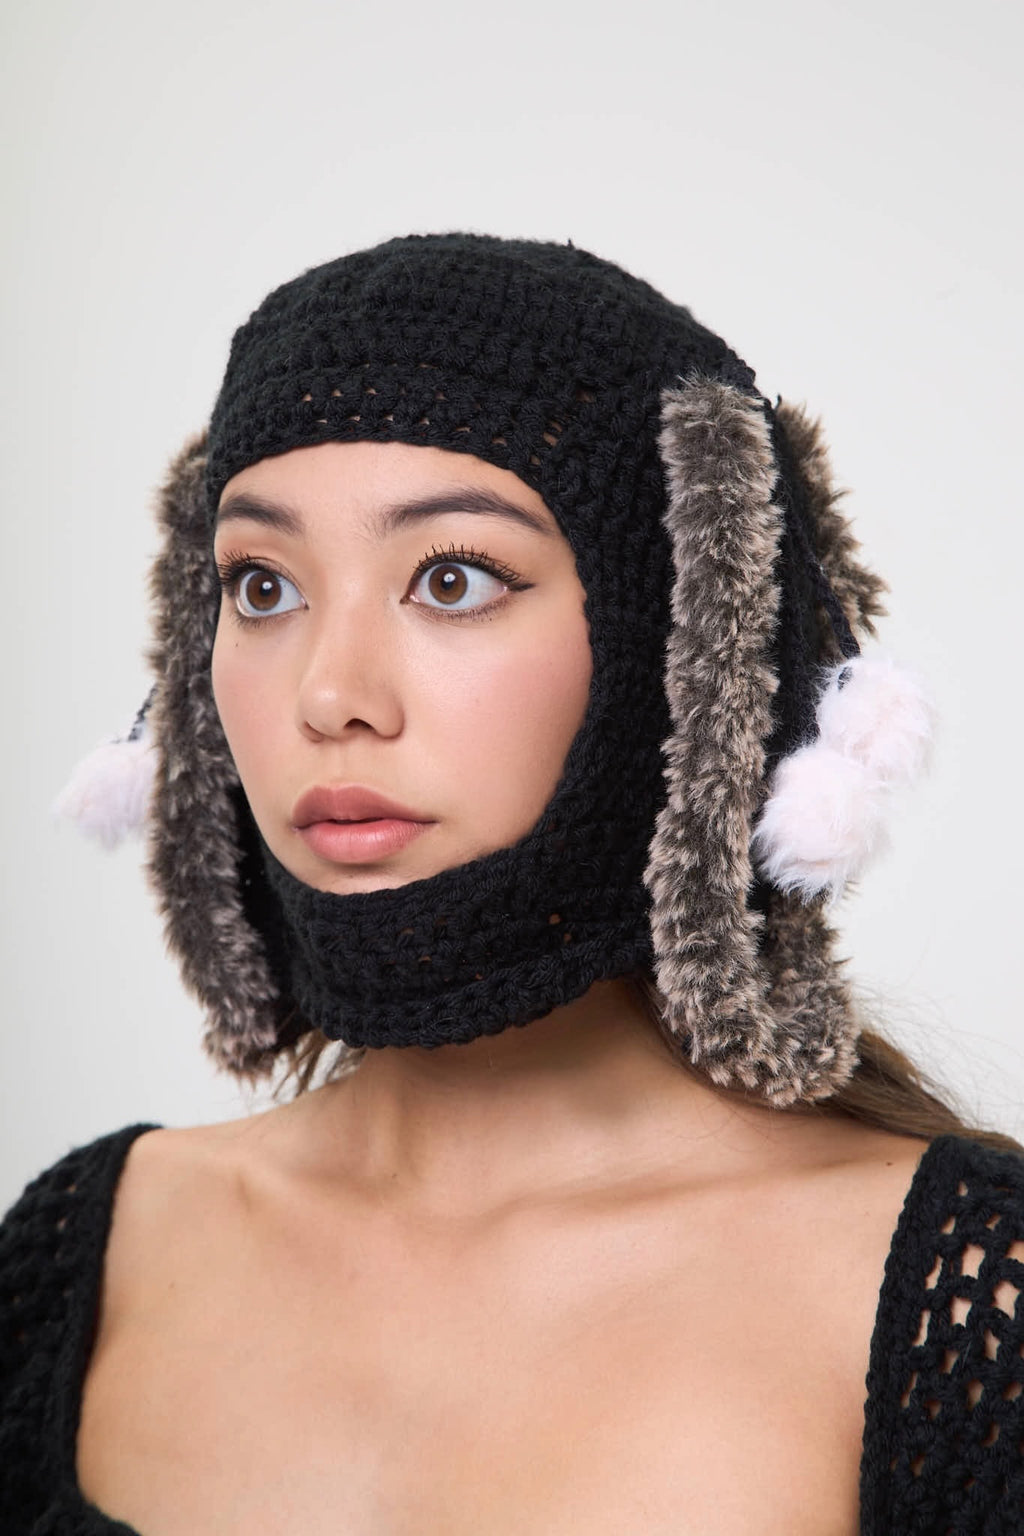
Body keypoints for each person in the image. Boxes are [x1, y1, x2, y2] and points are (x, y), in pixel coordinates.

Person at [2, 234, 1022, 1535]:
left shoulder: (966, 1299)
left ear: (678, 639)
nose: (329, 694)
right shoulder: (85, 1251)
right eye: (262, 586)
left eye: (453, 579)